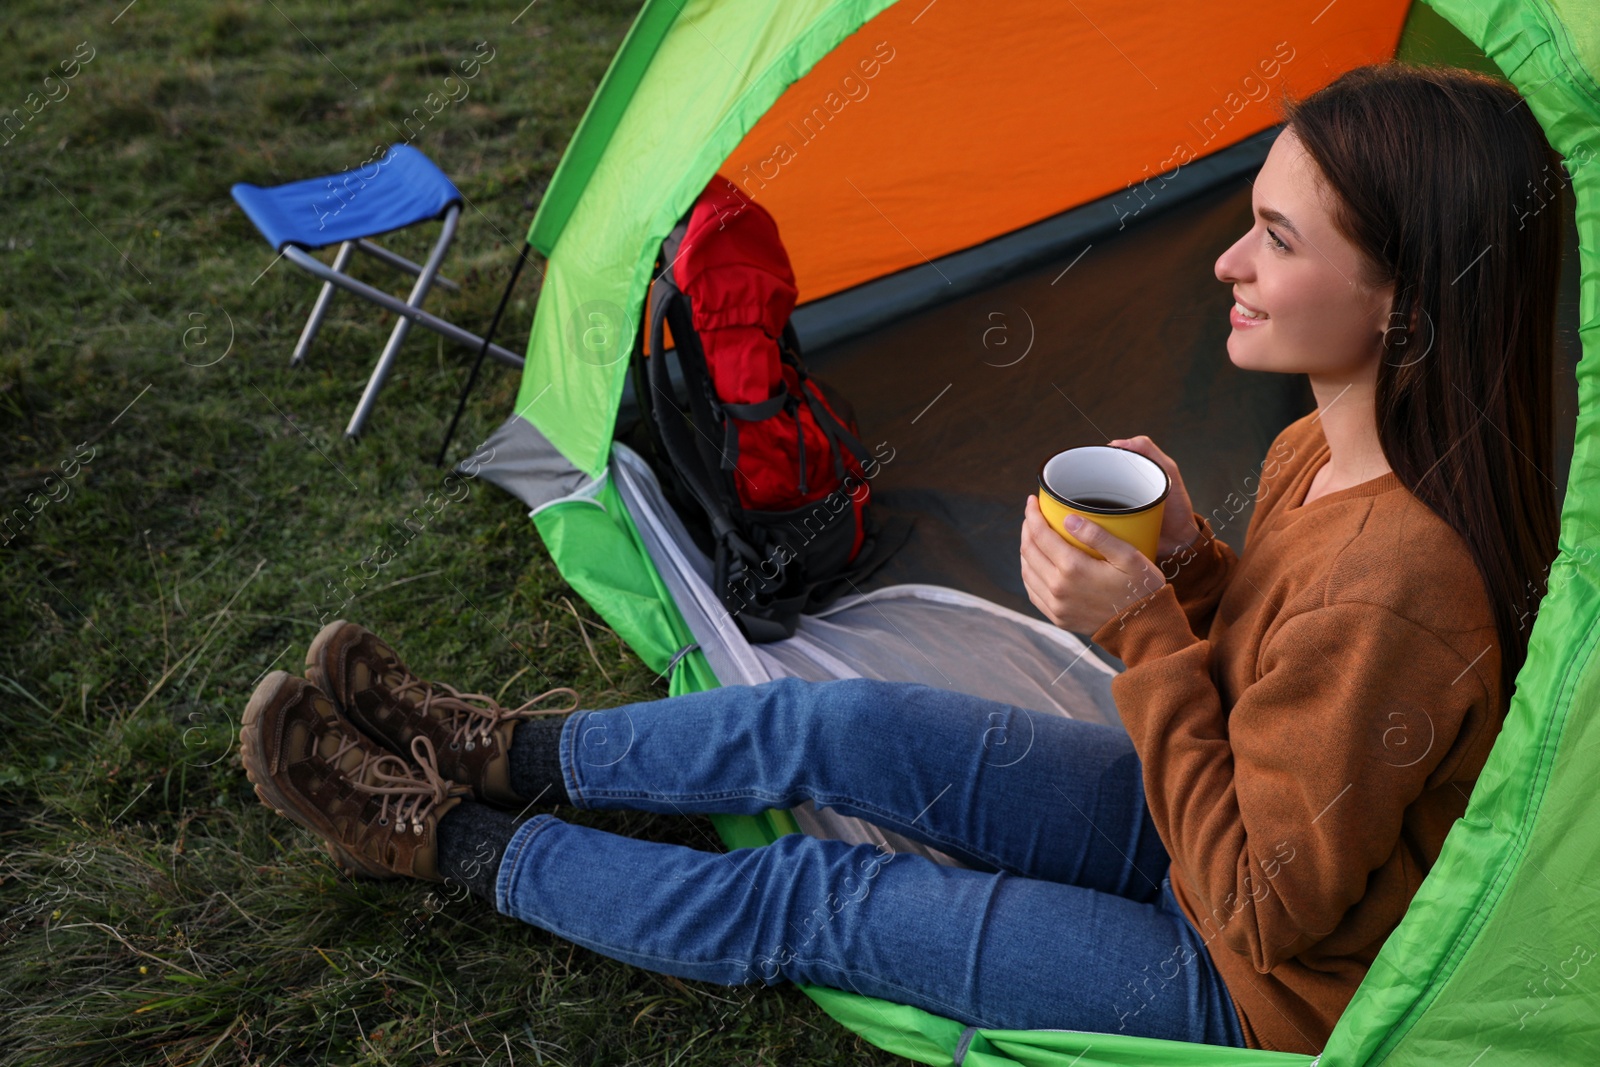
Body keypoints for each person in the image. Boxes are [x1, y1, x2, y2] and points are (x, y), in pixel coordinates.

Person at [239, 62, 1561, 1056]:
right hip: (1206, 822)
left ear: (1406, 294)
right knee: (836, 724)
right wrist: (1194, 566)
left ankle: (443, 842)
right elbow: (1274, 688)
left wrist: (1145, 630)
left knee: (818, 897)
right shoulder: (1326, 454)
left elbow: (1265, 909)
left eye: (1277, 237)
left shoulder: (1403, 580)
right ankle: (507, 755)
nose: (1225, 258)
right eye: (1248, 218)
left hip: (1254, 976)